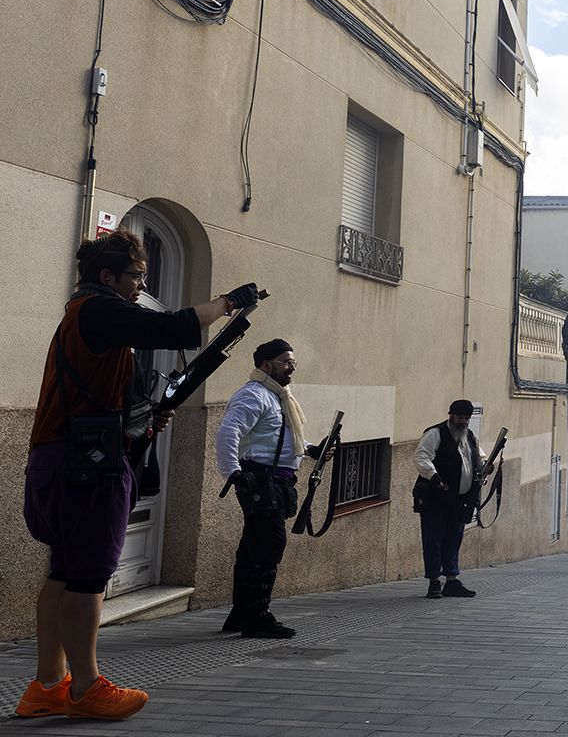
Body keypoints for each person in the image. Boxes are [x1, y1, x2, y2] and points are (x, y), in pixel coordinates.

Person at [18, 228, 261, 720]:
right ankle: (85, 689)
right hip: (85, 466)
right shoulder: (100, 309)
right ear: (107, 276)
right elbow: (173, 327)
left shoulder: (79, 314)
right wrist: (230, 302)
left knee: (64, 572)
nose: (140, 286)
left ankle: (47, 686)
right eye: (136, 276)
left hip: (58, 460)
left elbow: (96, 393)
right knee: (87, 578)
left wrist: (142, 418)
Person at [216, 339, 335, 637]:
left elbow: (277, 439)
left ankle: (241, 614)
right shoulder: (254, 395)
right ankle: (257, 616)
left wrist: (310, 449)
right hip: (259, 479)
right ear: (266, 365)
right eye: (285, 361)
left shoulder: (279, 397)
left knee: (252, 547)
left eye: (292, 361)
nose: (291, 366)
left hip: (276, 480)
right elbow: (229, 432)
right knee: (269, 545)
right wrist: (234, 473)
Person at [413, 399, 499, 598]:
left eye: (466, 418)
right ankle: (434, 581)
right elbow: (421, 456)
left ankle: (451, 580)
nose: (463, 422)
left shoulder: (469, 437)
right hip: (437, 497)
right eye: (460, 418)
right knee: (434, 539)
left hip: (459, 499)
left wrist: (486, 466)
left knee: (454, 538)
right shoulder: (435, 434)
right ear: (451, 416)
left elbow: (479, 458)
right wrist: (434, 476)